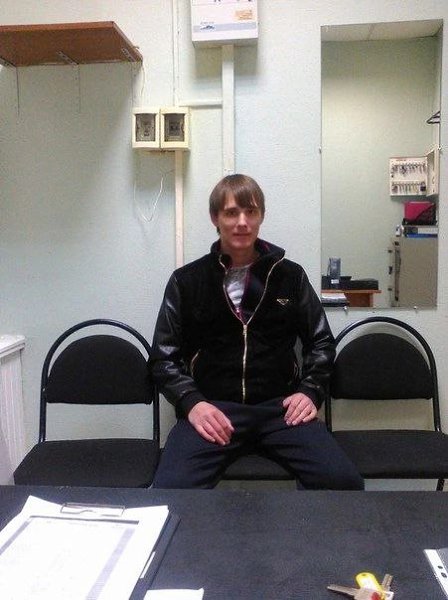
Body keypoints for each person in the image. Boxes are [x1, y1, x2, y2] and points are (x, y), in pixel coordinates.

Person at [150, 174, 363, 490]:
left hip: (280, 410)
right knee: (170, 489)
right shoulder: (187, 281)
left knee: (343, 482)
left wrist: (310, 391)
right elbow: (163, 358)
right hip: (214, 410)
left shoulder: (290, 276)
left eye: (250, 212)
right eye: (231, 213)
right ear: (215, 218)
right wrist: (191, 403)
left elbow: (321, 342)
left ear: (261, 216)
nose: (242, 222)